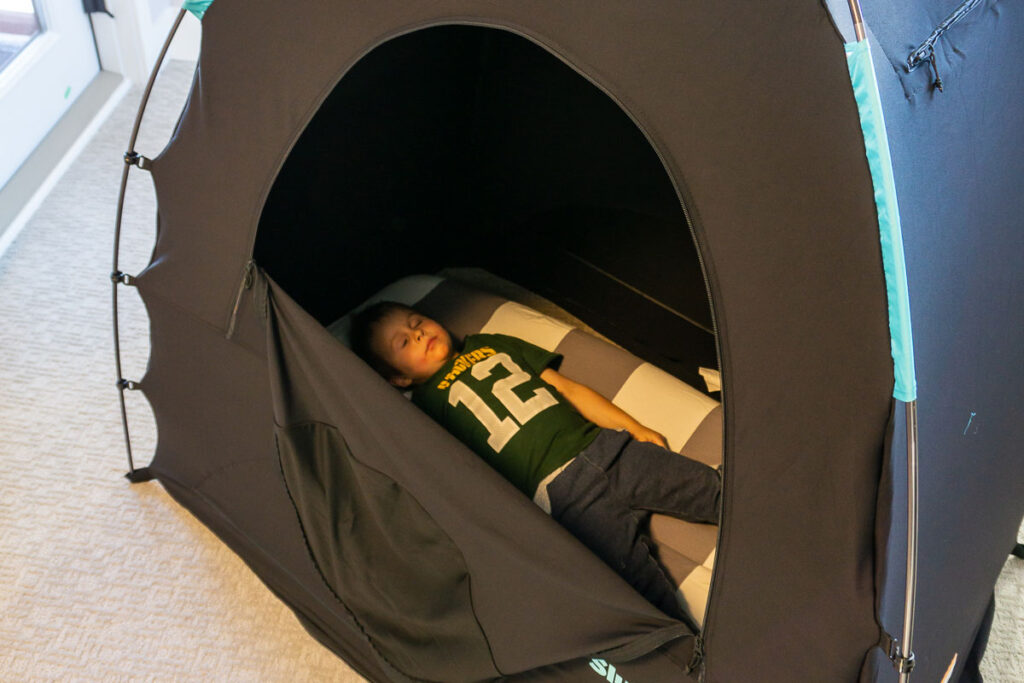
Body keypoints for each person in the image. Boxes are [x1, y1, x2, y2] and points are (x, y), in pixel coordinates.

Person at [350, 300, 721, 624]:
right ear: (399, 378)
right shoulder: (426, 408)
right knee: (640, 590)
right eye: (403, 341)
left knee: (710, 489)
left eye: (417, 321)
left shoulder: (492, 344)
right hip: (562, 498)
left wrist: (633, 426)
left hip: (608, 448)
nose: (417, 334)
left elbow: (568, 390)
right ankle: (689, 656)